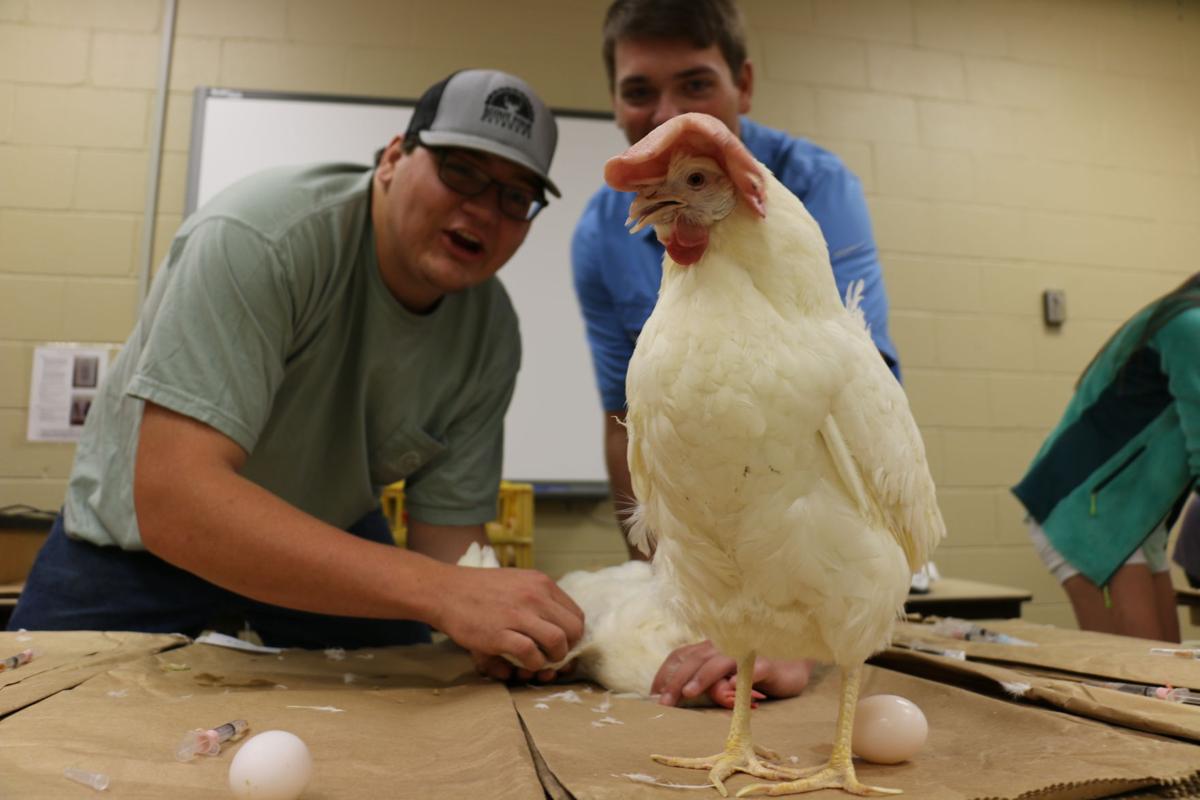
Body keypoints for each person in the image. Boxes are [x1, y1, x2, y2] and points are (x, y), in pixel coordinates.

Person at [10, 69, 585, 681]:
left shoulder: (490, 332)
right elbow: (175, 501)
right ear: (393, 158)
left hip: (325, 541)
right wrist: (441, 591)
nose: (484, 209)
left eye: (516, 197)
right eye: (461, 170)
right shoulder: (261, 238)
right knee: (30, 712)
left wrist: (504, 622)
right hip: (137, 548)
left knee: (431, 711)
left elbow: (450, 539)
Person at [572, 0, 881, 706]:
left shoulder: (815, 187)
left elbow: (862, 399)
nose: (666, 112)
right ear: (615, 101)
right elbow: (626, 420)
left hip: (817, 547)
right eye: (639, 91)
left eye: (695, 83)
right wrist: (676, 594)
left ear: (743, 84)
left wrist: (798, 630)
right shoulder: (600, 233)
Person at [1013, 272, 1200, 642]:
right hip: (1089, 511)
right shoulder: (1189, 325)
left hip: (1136, 518)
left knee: (1170, 669)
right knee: (1138, 670)